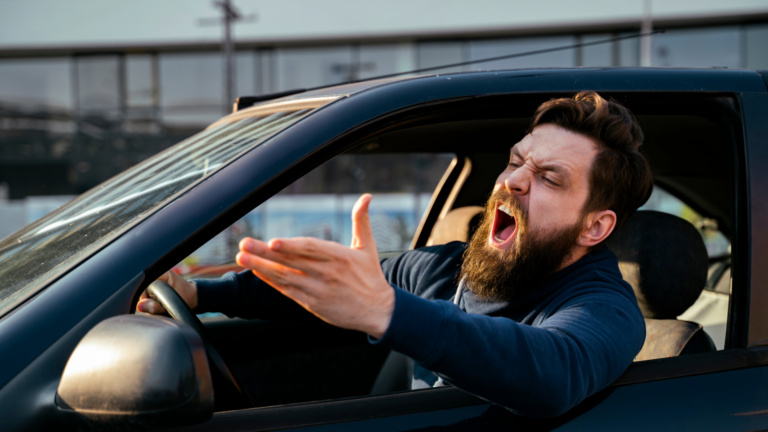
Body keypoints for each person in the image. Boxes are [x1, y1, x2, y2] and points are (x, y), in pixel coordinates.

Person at [138, 91, 654, 418]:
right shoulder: (443, 267)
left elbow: (553, 375)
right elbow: (326, 285)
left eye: (549, 178)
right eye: (516, 162)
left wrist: (386, 311)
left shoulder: (605, 309)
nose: (513, 181)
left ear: (595, 226)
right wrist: (202, 292)